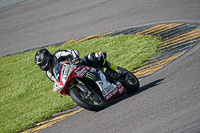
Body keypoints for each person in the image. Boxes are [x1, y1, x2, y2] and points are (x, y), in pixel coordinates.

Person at [34, 48, 125, 83]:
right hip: (71, 78)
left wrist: (75, 58)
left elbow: (72, 51)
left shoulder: (58, 55)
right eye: (41, 65)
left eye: (43, 63)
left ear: (48, 57)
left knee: (93, 56)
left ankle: (116, 69)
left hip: (79, 65)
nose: (43, 66)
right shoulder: (49, 73)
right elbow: (56, 82)